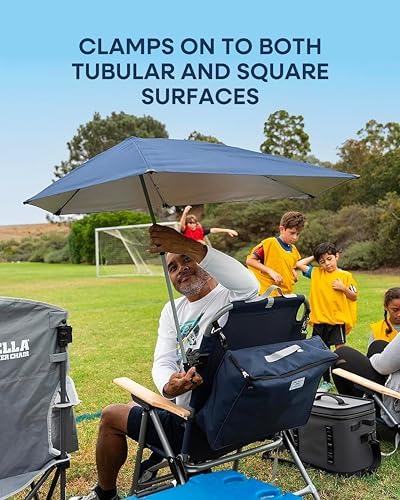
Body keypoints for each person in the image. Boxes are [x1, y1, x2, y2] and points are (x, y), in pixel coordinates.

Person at [73, 224, 258, 500]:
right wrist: (169, 386)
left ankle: (105, 494)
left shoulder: (232, 296)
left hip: (198, 428)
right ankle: (160, 460)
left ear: (205, 259)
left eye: (187, 258)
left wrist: (187, 243)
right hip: (243, 423)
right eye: (172, 267)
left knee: (112, 415)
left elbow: (249, 282)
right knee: (141, 406)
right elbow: (163, 361)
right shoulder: (173, 310)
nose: (181, 268)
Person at [296, 242, 358, 391]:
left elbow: (354, 296)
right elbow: (299, 264)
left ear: (337, 256)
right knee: (321, 353)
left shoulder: (345, 276)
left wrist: (343, 288)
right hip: (320, 322)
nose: (327, 264)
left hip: (337, 321)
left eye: (329, 259)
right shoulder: (316, 273)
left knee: (341, 352)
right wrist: (316, 255)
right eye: (322, 261)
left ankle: (345, 379)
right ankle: (326, 381)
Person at [246, 211, 305, 295]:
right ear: (282, 229)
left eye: (298, 234)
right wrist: (270, 271)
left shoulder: (294, 250)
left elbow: (289, 266)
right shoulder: (270, 243)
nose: (295, 237)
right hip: (269, 293)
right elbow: (250, 261)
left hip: (286, 293)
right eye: (292, 233)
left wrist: (293, 273)